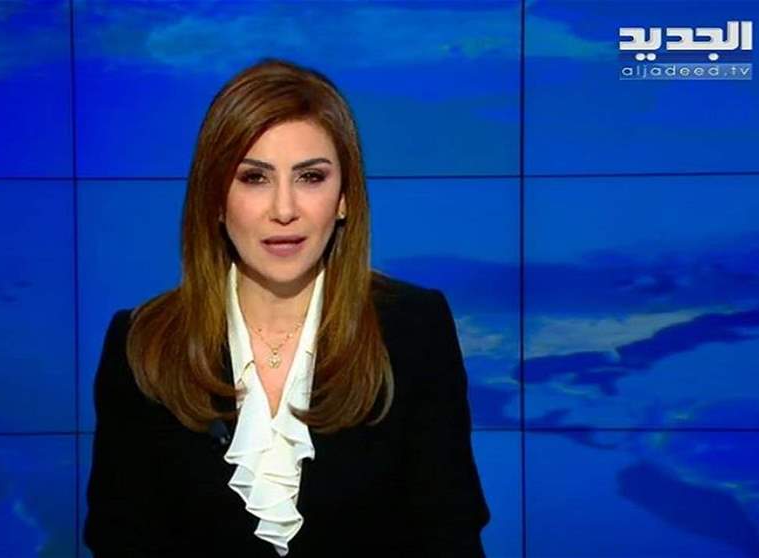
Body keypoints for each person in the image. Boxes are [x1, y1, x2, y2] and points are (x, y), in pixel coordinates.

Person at [84, 58, 490, 557]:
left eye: (310, 177)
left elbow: (450, 535)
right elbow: (120, 540)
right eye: (254, 178)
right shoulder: (144, 343)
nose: (284, 209)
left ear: (344, 197)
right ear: (215, 199)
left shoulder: (413, 329)